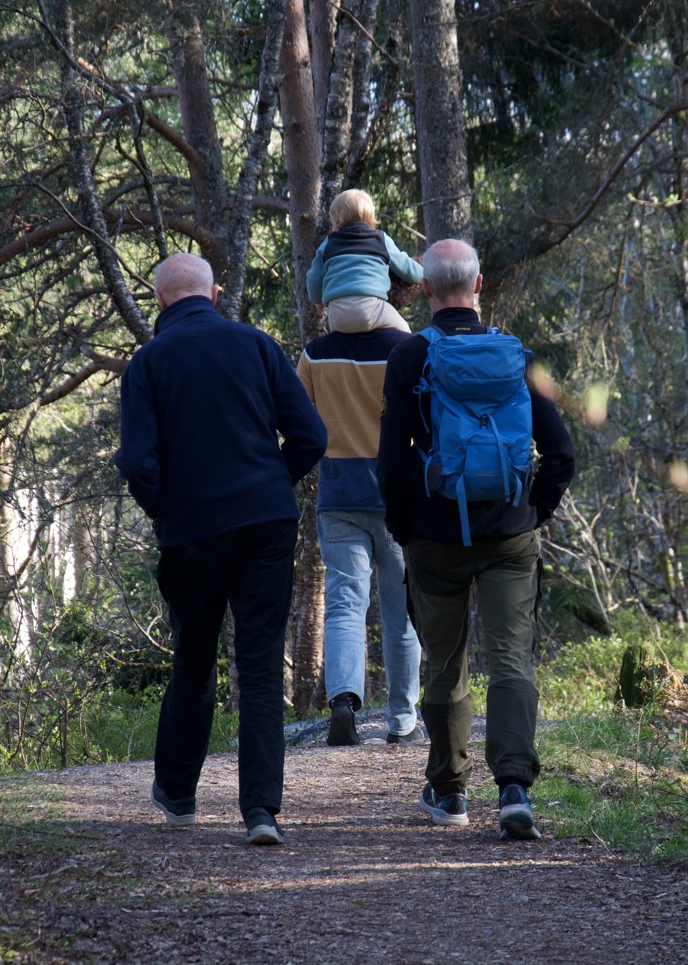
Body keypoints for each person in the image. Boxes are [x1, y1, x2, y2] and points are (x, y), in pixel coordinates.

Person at [114, 253, 327, 846]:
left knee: (194, 656)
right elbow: (311, 436)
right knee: (260, 666)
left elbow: (137, 462)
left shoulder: (147, 363)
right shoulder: (256, 345)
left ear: (160, 301)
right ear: (213, 293)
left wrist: (166, 509)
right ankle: (261, 812)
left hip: (191, 532)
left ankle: (179, 796)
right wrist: (273, 484)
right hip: (266, 523)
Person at [377, 239, 575, 840]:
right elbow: (561, 452)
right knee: (511, 658)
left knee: (445, 662)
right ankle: (514, 789)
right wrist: (531, 512)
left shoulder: (410, 356)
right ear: (479, 285)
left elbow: (392, 463)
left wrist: (405, 528)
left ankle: (450, 791)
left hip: (434, 537)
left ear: (425, 289)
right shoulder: (515, 354)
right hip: (510, 535)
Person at [298, 295, 423, 747]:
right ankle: (402, 721)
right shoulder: (407, 348)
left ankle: (343, 703)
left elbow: (299, 420)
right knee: (401, 611)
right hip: (397, 497)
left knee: (345, 604)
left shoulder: (315, 354)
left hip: (339, 495)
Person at [306, 189, 422, 335]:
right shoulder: (380, 239)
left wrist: (317, 301)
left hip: (337, 316)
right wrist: (425, 274)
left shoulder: (328, 243)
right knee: (404, 332)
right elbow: (407, 269)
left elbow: (314, 277)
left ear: (337, 221)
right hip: (371, 309)